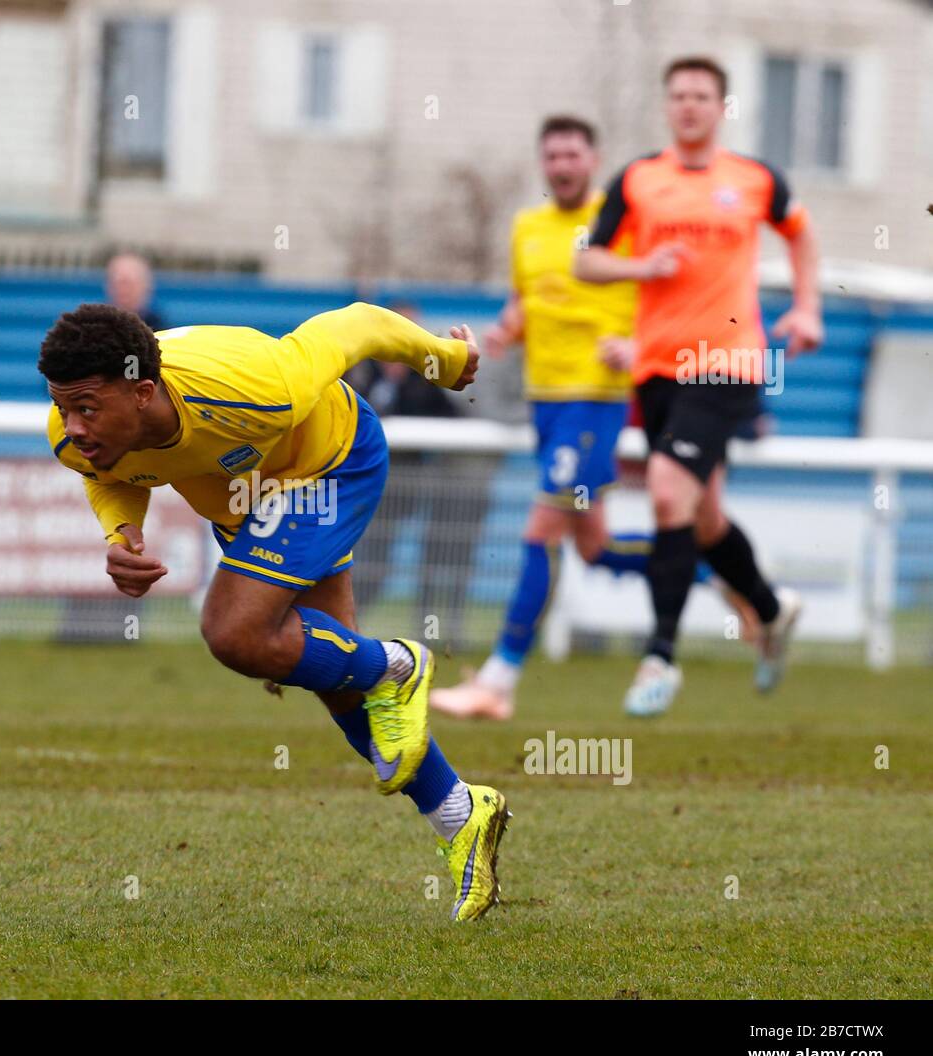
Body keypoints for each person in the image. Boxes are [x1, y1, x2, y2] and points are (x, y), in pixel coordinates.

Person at [40, 301, 512, 921]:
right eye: (65, 407)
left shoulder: (254, 384)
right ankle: (462, 815)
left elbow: (358, 324)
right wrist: (121, 533)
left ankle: (398, 665)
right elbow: (111, 472)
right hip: (246, 505)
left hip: (332, 467)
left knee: (235, 632)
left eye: (86, 409)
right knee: (332, 671)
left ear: (144, 392)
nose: (71, 425)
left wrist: (447, 359)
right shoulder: (78, 431)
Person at [574, 56, 822, 716]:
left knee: (664, 488)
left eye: (702, 95)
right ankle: (771, 610)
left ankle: (659, 656)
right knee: (702, 516)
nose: (689, 105)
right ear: (667, 106)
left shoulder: (754, 178)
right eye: (679, 95)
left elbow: (802, 234)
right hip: (657, 370)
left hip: (729, 362)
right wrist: (639, 265)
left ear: (721, 107)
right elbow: (586, 259)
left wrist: (807, 308)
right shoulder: (637, 179)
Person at [430, 117, 659, 721]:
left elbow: (663, 295)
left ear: (594, 158)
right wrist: (508, 329)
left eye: (572, 154)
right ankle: (713, 564)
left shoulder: (621, 220)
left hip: (596, 401)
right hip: (547, 402)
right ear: (543, 163)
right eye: (552, 155)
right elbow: (528, 298)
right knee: (595, 547)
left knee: (539, 533)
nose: (561, 165)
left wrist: (640, 346)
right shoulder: (527, 227)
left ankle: (498, 681)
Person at [348, 301, 487, 646]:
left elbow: (453, 420)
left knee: (429, 553)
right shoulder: (358, 368)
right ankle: (344, 626)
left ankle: (431, 631)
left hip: (406, 488)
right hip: (362, 488)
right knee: (365, 563)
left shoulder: (425, 376)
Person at [57, 253, 164, 643]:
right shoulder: (84, 337)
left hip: (151, 462)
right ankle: (77, 630)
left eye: (130, 281)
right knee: (95, 534)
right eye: (117, 281)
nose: (123, 288)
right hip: (101, 459)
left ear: (146, 287)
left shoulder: (164, 332)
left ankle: (125, 631)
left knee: (138, 542)